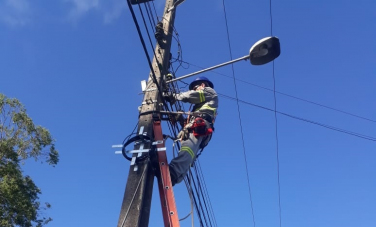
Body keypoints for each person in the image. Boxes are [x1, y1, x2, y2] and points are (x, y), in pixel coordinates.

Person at [164, 76, 218, 186]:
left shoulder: (210, 92)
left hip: (199, 127)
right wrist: (180, 119)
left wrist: (174, 96)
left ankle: (172, 172)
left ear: (202, 85)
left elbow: (193, 95)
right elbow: (190, 120)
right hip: (199, 129)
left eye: (195, 88)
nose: (193, 90)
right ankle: (174, 177)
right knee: (189, 154)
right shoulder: (200, 107)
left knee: (187, 150)